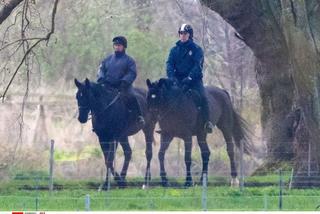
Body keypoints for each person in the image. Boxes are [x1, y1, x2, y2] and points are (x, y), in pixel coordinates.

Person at [166, 24, 214, 133]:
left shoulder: (197, 49)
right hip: (177, 80)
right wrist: (171, 77)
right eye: (181, 33)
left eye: (185, 34)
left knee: (203, 97)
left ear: (189, 35)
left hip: (194, 80)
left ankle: (207, 122)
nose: (182, 36)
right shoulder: (174, 50)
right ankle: (167, 124)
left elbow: (198, 66)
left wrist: (190, 78)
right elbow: (169, 64)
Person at [97, 36, 145, 127]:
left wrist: (124, 82)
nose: (117, 47)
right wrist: (101, 79)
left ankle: (139, 117)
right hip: (108, 86)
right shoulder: (107, 60)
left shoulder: (129, 61)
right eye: (115, 45)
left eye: (119, 45)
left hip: (123, 86)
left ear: (124, 46)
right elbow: (101, 70)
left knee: (132, 96)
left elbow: (132, 73)